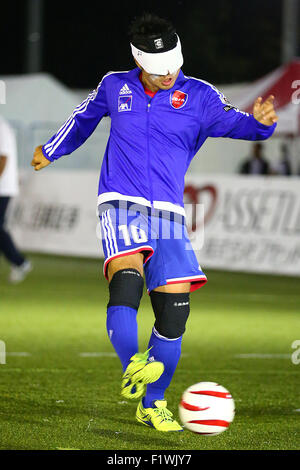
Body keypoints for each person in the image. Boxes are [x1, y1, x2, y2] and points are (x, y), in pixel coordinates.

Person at [31, 13, 278, 432]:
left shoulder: (199, 95)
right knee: (126, 275)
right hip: (120, 201)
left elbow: (240, 124)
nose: (170, 74)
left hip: (169, 212)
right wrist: (51, 150)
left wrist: (262, 125)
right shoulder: (115, 85)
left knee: (174, 312)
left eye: (175, 65)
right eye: (161, 69)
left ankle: (152, 402)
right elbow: (83, 119)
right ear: (139, 61)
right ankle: (133, 365)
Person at [0, 115, 32, 283]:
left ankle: (20, 262)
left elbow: (3, 159)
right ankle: (19, 262)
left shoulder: (2, 127)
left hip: (3, 188)